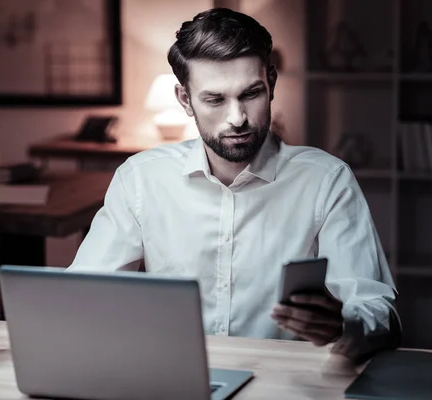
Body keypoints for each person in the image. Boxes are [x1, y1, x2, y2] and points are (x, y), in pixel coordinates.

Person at [67, 7, 401, 364]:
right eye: (214, 99)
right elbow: (80, 297)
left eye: (251, 94)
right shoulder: (141, 179)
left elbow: (380, 312)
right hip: (173, 379)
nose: (237, 118)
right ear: (185, 100)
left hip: (284, 387)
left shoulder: (327, 180)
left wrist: (346, 324)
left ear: (271, 83)